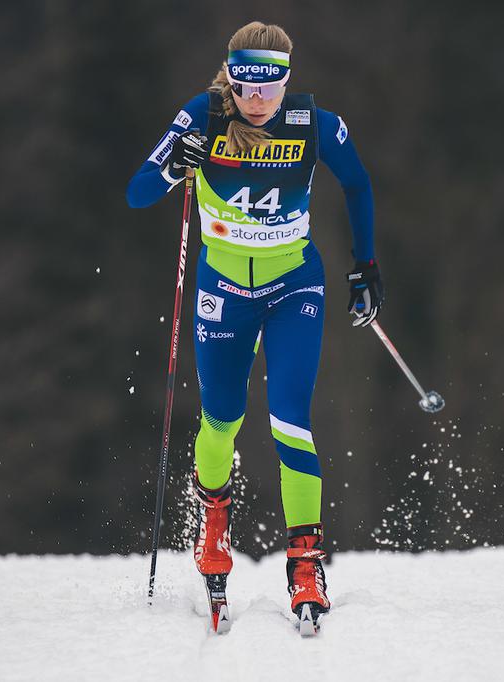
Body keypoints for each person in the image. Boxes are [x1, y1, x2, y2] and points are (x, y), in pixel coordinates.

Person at [126, 21, 382, 625]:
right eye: (246, 86)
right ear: (230, 78)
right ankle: (214, 514)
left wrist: (365, 265)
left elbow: (359, 182)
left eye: (271, 86)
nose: (258, 100)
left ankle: (304, 558)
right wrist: (172, 168)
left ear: (288, 78)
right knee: (222, 419)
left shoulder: (313, 125)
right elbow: (138, 193)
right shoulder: (203, 116)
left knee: (290, 419)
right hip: (223, 291)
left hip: (294, 284)